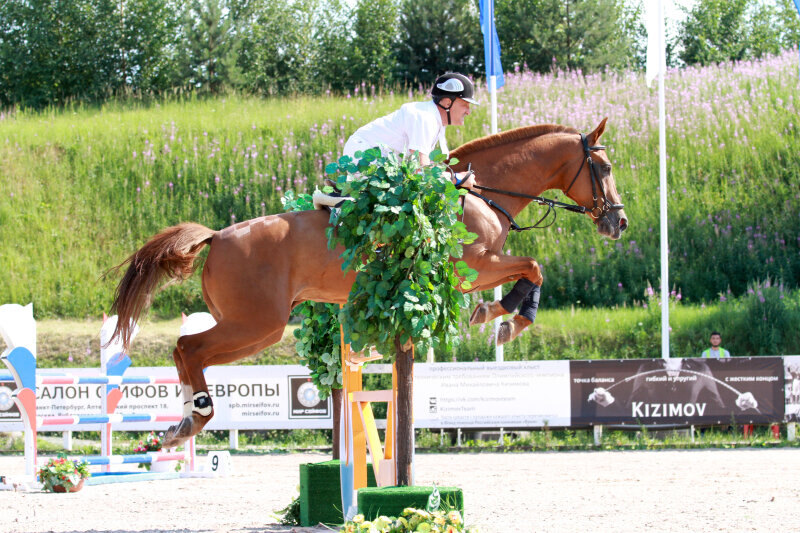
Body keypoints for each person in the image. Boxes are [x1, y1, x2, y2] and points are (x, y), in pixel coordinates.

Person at [341, 72, 478, 189]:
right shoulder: (425, 118)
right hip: (362, 153)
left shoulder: (435, 120)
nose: (468, 112)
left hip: (379, 159)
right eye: (465, 105)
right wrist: (458, 179)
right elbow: (421, 171)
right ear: (448, 103)